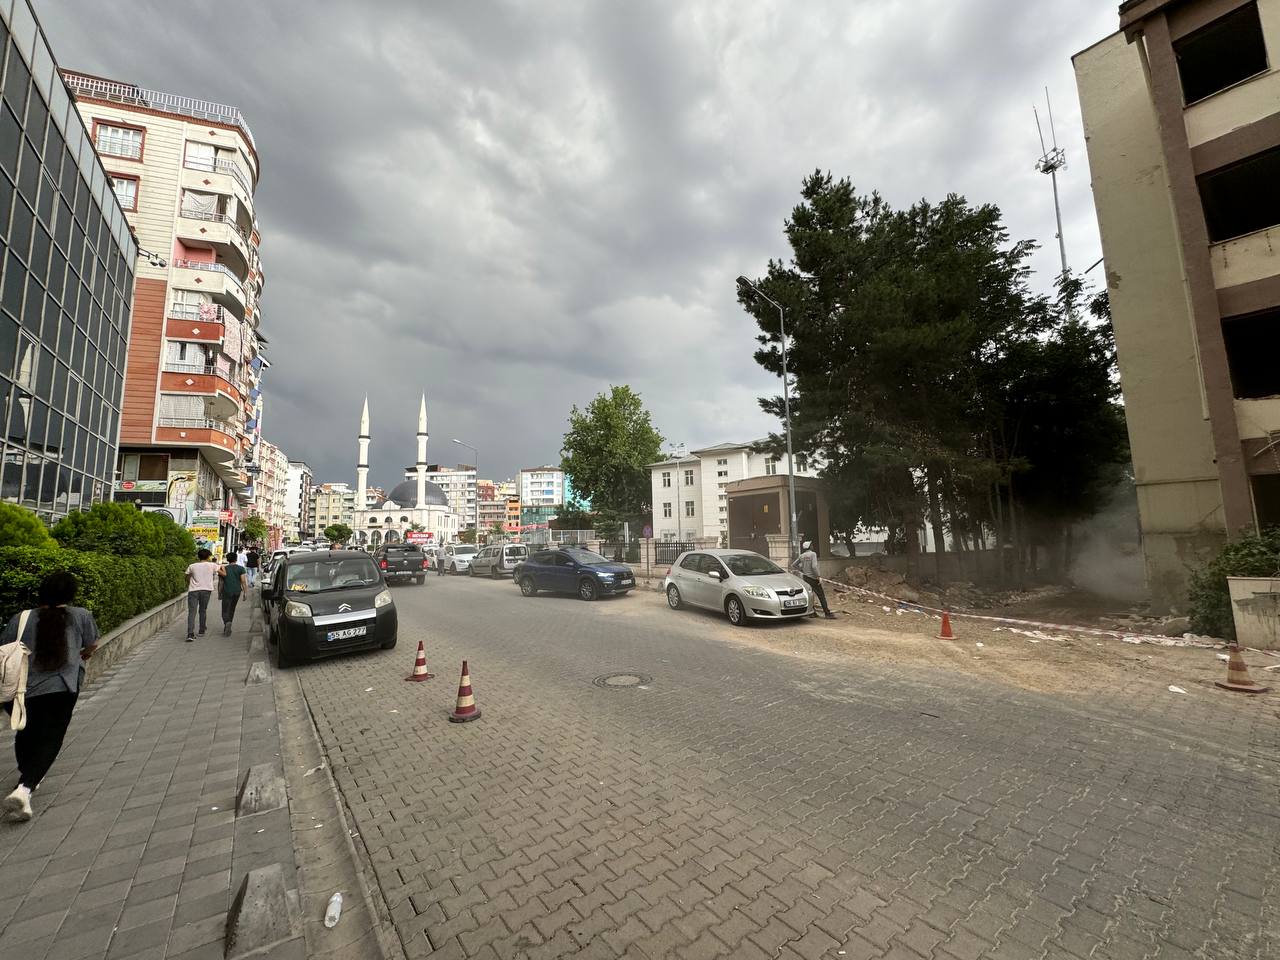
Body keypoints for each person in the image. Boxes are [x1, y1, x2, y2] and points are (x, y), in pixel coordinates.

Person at [2, 572, 99, 821]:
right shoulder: (80, 615)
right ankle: (25, 788)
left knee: (26, 733)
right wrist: (83, 654)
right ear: (70, 594)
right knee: (52, 736)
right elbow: (92, 644)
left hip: (21, 688)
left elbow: (6, 647)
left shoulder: (20, 618)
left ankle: (29, 773)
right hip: (62, 687)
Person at [792, 540, 836, 619]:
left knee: (810, 595)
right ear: (810, 546)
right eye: (812, 545)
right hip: (813, 578)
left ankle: (812, 613)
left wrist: (802, 569)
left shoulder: (802, 556)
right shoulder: (813, 554)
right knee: (821, 596)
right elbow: (814, 566)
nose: (813, 546)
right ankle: (827, 613)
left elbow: (794, 565)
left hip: (806, 578)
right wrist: (818, 576)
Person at [185, 548, 221, 641]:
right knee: (203, 610)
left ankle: (190, 633)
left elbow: (187, 577)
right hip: (206, 590)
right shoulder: (212, 565)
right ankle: (201, 630)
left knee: (192, 612)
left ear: (198, 556)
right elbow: (222, 572)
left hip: (193, 590)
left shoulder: (192, 566)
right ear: (208, 556)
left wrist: (191, 583)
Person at [218, 555, 248, 636]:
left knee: (225, 610)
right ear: (236, 559)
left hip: (227, 591)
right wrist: (245, 592)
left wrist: (219, 593)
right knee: (232, 609)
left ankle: (227, 623)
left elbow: (221, 583)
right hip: (237, 591)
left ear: (227, 560)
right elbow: (243, 581)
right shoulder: (241, 568)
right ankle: (229, 625)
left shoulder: (224, 568)